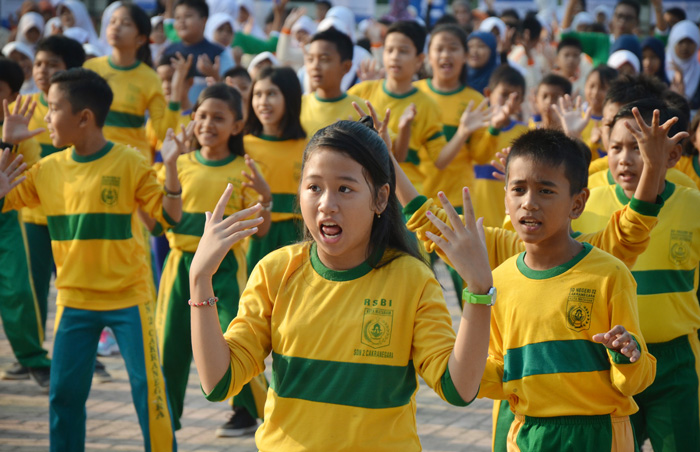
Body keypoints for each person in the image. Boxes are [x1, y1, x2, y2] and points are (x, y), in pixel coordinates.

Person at [188, 117, 493, 450]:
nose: (326, 204)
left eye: (345, 189)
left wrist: (479, 293)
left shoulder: (412, 279)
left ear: (380, 199)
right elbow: (218, 382)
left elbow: (458, 389)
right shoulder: (275, 271)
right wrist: (200, 279)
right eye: (314, 187)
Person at [0, 68, 180, 452]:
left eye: (52, 108)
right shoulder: (47, 170)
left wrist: (173, 170)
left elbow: (166, 220)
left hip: (129, 299)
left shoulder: (130, 163)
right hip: (74, 303)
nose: (45, 118)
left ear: (83, 118)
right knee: (63, 398)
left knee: (149, 393)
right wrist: (5, 146)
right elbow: (4, 201)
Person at [481, 128, 655, 450]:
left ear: (577, 203)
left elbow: (635, 380)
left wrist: (628, 355)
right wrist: (459, 364)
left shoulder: (609, 274)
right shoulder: (500, 280)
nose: (529, 203)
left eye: (546, 191)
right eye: (518, 189)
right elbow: (498, 370)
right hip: (530, 435)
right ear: (505, 198)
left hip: (601, 433)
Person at [573, 100, 700, 451]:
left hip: (675, 362)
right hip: (608, 362)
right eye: (616, 148)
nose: (626, 159)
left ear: (672, 156)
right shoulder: (585, 206)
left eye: (639, 148)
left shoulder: (694, 205)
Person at [154, 83, 272, 434]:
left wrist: (265, 198)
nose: (208, 123)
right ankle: (165, 423)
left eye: (218, 118)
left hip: (227, 268)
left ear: (237, 126)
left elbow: (261, 231)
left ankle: (265, 414)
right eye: (202, 115)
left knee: (238, 341)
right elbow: (167, 219)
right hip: (179, 266)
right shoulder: (179, 164)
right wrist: (170, 165)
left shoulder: (245, 168)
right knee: (169, 347)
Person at [4, 36, 117, 383]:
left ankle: (90, 352)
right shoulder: (19, 108)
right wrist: (10, 140)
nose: (42, 70)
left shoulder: (83, 109)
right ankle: (32, 354)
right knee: (31, 288)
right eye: (38, 63)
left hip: (74, 212)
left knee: (78, 284)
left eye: (52, 64)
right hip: (33, 216)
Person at [348, 20, 446, 194]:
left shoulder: (427, 105)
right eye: (389, 50)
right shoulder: (361, 92)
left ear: (419, 60)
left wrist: (405, 128)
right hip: (364, 188)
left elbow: (433, 159)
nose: (394, 57)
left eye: (403, 51)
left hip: (405, 193)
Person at [0, 57, 49, 388]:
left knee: (17, 289)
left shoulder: (22, 133)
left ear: (14, 95)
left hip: (6, 221)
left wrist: (8, 141)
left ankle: (33, 358)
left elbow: (25, 182)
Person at [84, 3, 177, 160]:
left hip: (133, 159)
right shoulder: (91, 68)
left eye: (125, 24)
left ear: (141, 39)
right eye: (112, 22)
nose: (116, 27)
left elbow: (162, 132)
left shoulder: (150, 78)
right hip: (93, 155)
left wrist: (176, 98)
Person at [243, 66, 307, 274]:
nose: (263, 102)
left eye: (271, 94)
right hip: (253, 236)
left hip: (296, 238)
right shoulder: (242, 146)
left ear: (289, 97)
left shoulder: (309, 147)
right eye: (258, 94)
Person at [163, 0, 234, 105]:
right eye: (177, 18)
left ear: (204, 20)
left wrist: (214, 76)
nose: (182, 21)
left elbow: (232, 91)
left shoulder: (218, 53)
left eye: (188, 16)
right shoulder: (168, 51)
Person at [300, 27, 364, 138]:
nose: (315, 66)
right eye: (310, 59)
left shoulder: (360, 111)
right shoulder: (297, 107)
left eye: (324, 59)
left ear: (346, 67)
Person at [581, 65, 618, 161]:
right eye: (591, 86)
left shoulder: (617, 121)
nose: (595, 92)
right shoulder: (575, 115)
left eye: (602, 88)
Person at [466, 31, 498, 95]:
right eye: (470, 46)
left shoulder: (499, 79)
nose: (474, 51)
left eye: (481, 46)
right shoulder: (457, 78)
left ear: (492, 50)